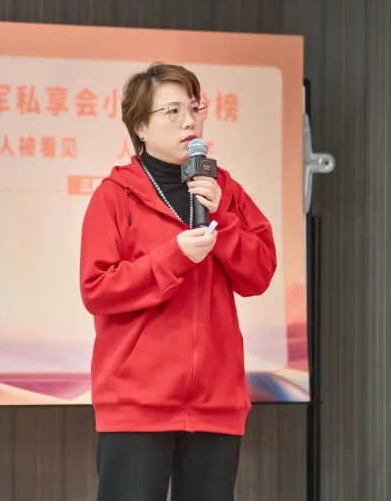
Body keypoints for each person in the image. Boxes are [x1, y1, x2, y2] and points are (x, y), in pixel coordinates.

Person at [79, 62, 277, 501]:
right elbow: (97, 290)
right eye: (173, 111)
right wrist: (173, 257)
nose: (189, 121)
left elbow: (260, 274)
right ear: (140, 126)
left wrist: (223, 219)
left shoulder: (224, 191)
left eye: (194, 108)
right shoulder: (114, 196)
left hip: (215, 402)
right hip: (136, 402)